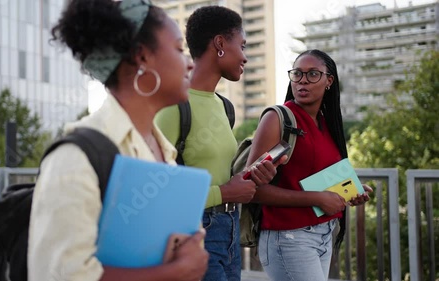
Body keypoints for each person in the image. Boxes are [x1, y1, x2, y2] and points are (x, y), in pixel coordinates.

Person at [27, 0, 209, 280]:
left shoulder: (165, 150)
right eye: (178, 49)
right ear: (142, 56)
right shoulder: (76, 157)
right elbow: (61, 275)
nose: (188, 63)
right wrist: (176, 271)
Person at [155, 6, 284, 281]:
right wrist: (224, 193)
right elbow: (156, 192)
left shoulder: (225, 107)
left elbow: (222, 176)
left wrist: (254, 177)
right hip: (192, 233)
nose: (246, 57)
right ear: (220, 43)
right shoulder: (172, 106)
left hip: (230, 231)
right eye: (243, 45)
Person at [245, 49, 373, 281]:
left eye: (313, 74)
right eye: (297, 74)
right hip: (288, 238)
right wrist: (317, 198)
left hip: (323, 234)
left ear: (329, 81)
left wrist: (349, 190)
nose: (303, 80)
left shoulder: (326, 123)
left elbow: (313, 177)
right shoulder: (277, 119)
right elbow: (252, 190)